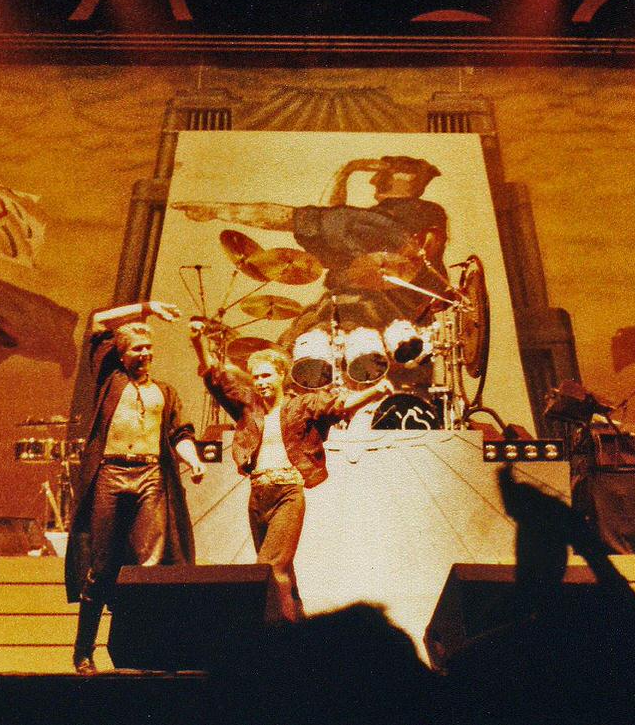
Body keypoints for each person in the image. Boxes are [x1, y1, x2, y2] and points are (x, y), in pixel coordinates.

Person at [190, 323, 386, 622]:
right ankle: (300, 631)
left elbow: (338, 405)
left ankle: (273, 640)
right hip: (258, 496)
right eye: (256, 377)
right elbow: (216, 380)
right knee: (284, 574)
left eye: (266, 375)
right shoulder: (248, 410)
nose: (260, 382)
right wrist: (198, 342)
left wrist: (374, 392)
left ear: (281, 375)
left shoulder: (301, 406)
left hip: (287, 494)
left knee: (269, 568)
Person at [64, 300, 207, 675]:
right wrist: (145, 308)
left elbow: (180, 433)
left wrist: (191, 458)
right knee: (100, 567)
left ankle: (150, 649)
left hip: (150, 476)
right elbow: (95, 320)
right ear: (121, 354)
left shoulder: (165, 392)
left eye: (149, 348)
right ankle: (83, 651)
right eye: (136, 349)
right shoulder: (110, 381)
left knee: (152, 566)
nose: (144, 354)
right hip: (111, 474)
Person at [171, 155, 449, 334]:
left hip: (369, 317)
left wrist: (217, 211)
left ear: (402, 178)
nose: (374, 179)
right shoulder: (384, 221)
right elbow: (329, 218)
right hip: (393, 317)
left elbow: (305, 218)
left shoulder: (381, 222)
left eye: (382, 173)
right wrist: (344, 172)